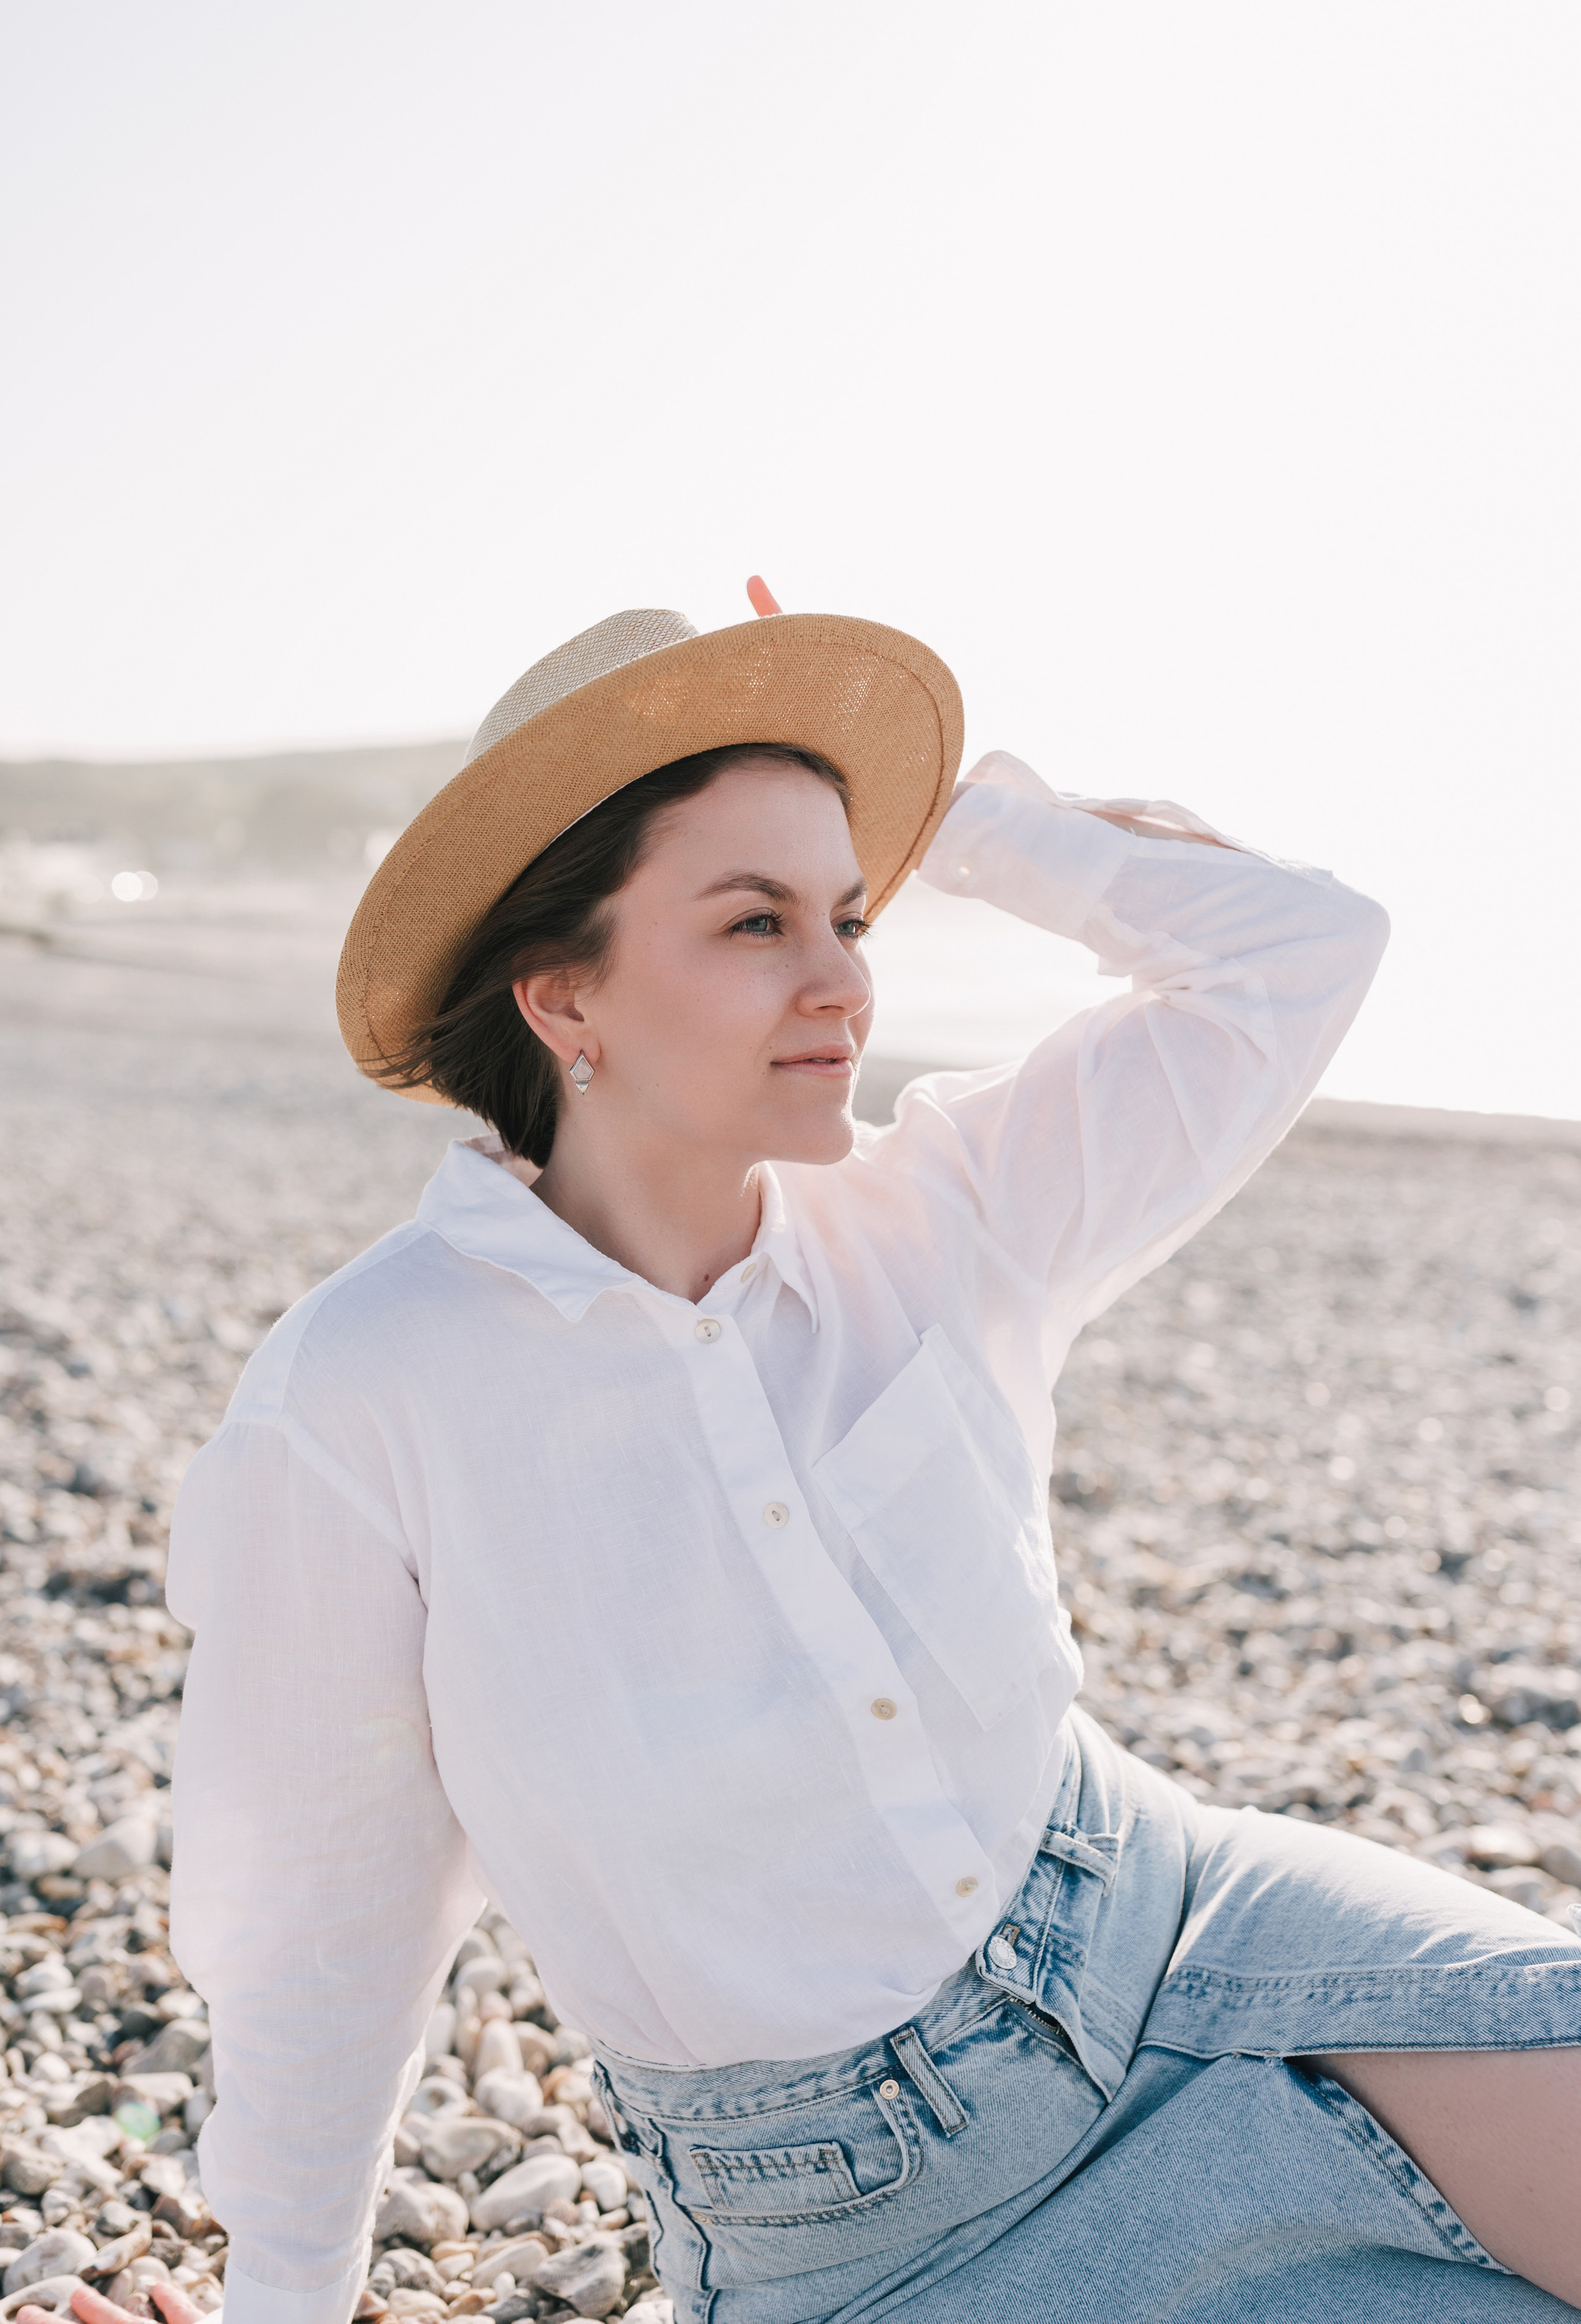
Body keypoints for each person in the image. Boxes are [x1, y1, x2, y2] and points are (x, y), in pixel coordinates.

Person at [145, 593, 1579, 2324]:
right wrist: (274, 2304)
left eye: (851, 910)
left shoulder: (948, 1209)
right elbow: (323, 1924)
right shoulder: (366, 1399)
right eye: (755, 923)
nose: (842, 982)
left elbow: (1298, 949)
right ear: (562, 996)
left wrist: (963, 817)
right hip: (875, 2218)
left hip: (1176, 1919)